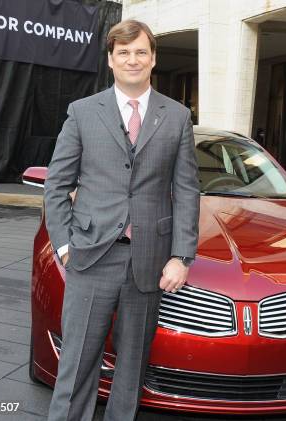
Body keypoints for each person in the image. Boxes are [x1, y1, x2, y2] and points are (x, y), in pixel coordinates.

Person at [44, 19, 200, 421]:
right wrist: (64, 245)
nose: (133, 59)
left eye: (141, 52)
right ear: (111, 60)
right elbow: (56, 185)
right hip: (90, 258)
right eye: (124, 52)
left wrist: (181, 255)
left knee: (131, 372)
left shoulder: (178, 116)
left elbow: (186, 190)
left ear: (153, 59)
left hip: (149, 262)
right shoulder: (81, 113)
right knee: (76, 367)